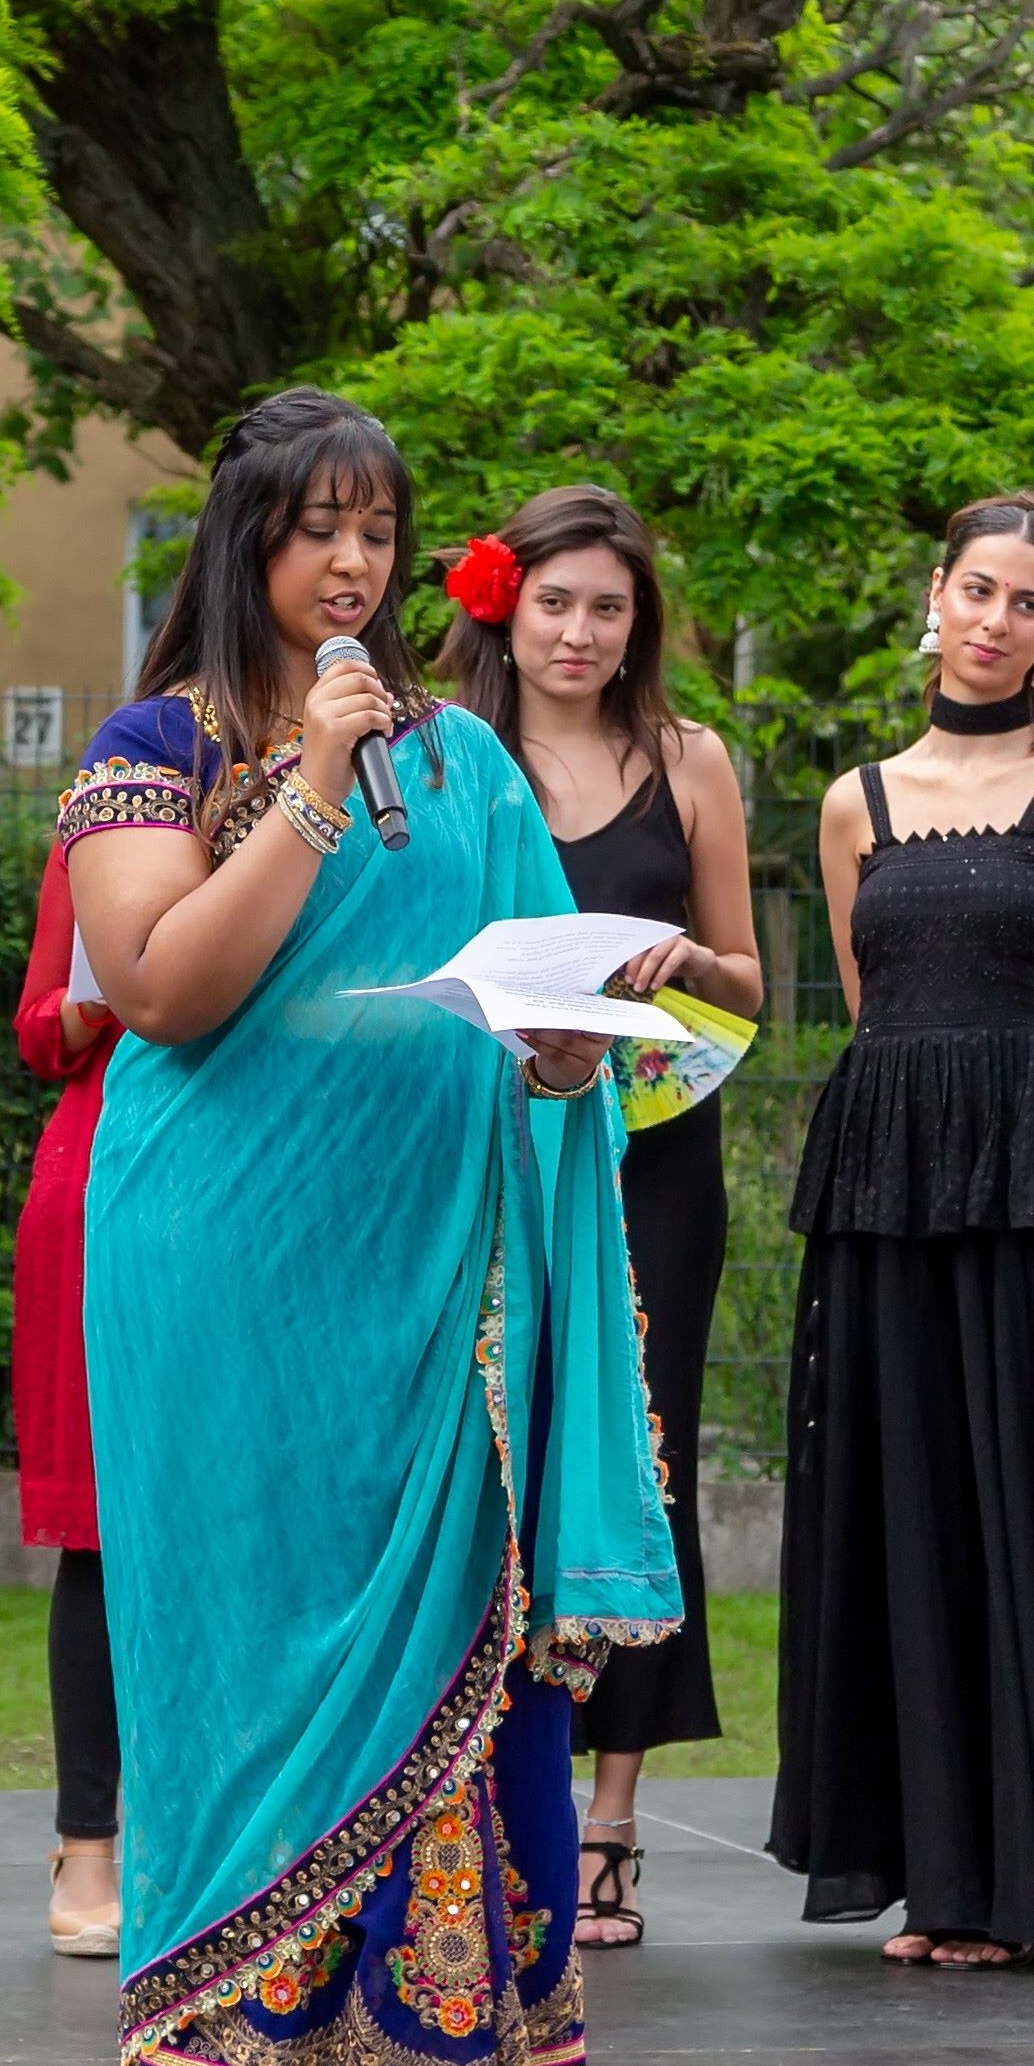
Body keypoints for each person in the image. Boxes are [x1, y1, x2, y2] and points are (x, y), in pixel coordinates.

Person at [62, 391, 678, 2066]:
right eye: (316, 528)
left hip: (424, 1284)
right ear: (244, 539)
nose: (352, 564)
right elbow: (158, 989)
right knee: (219, 1662)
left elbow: (533, 1005)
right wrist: (310, 783)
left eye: (378, 531)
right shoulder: (153, 751)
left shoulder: (467, 765)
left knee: (435, 1663)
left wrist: (563, 1055)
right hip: (213, 1267)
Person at [769, 493, 1034, 1969]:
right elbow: (872, 1006)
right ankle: (937, 1878)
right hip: (884, 1195)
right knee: (903, 1511)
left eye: (1026, 602)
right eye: (975, 589)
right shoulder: (854, 802)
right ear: (934, 596)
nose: (993, 620)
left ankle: (1030, 1886)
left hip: (1031, 1198)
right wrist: (947, 1105)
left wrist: (1023, 1100)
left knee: (1031, 1514)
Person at [434, 486, 758, 1952]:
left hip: (650, 1154)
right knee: (486, 1457)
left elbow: (749, 979)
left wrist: (684, 959)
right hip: (480, 1146)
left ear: (640, 622)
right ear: (502, 605)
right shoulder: (444, 756)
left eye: (606, 607)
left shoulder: (690, 759)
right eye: (553, 602)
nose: (577, 632)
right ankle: (483, 1795)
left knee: (639, 1454)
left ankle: (612, 1815)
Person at [10, 833, 123, 1960]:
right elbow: (40, 1026)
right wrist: (106, 995)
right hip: (108, 1171)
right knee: (101, 1534)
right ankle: (85, 1841)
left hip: (275, 1171)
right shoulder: (109, 811)